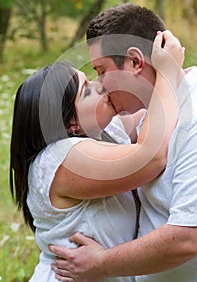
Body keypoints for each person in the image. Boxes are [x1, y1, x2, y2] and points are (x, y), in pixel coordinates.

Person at [50, 3, 197, 282]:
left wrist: (101, 263)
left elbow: (190, 237)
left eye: (101, 71)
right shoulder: (150, 114)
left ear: (135, 62)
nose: (101, 85)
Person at [10, 32, 184, 282]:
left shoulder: (103, 132)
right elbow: (152, 156)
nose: (100, 85)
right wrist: (167, 74)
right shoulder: (63, 158)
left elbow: (152, 112)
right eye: (86, 90)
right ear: (70, 122)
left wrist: (149, 65)